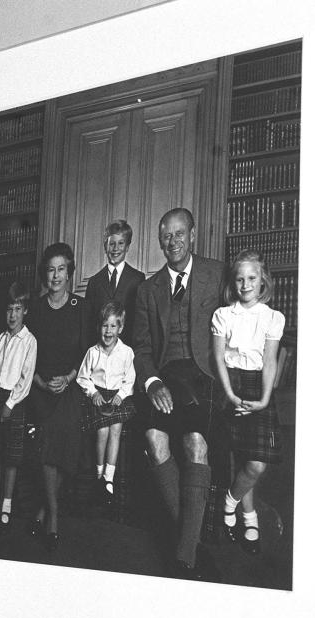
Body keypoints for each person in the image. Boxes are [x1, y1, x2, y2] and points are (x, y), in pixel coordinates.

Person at [133, 207, 225, 580]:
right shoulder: (147, 289)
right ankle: (191, 540)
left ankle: (184, 554)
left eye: (179, 234)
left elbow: (243, 318)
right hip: (166, 376)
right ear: (159, 240)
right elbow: (140, 348)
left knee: (194, 443)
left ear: (192, 235)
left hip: (205, 375)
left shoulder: (217, 274)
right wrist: (153, 383)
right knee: (154, 439)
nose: (172, 242)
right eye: (165, 235)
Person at [210, 250, 285, 555]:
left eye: (252, 278)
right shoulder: (223, 315)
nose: (245, 284)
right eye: (240, 278)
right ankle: (249, 517)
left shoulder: (272, 317)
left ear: (262, 279)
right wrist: (230, 394)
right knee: (242, 458)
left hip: (258, 387)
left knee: (256, 463)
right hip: (231, 383)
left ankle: (230, 501)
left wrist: (265, 399)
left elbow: (269, 361)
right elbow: (217, 358)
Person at [25, 242, 90, 552]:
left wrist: (69, 378)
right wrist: (39, 381)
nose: (56, 276)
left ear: (70, 272)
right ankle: (53, 514)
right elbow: (26, 354)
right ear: (44, 274)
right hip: (39, 387)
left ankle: (45, 509)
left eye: (61, 269)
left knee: (67, 438)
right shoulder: (35, 309)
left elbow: (88, 354)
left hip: (70, 385)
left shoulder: (81, 308)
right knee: (50, 434)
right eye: (50, 270)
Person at [0, 282, 37, 532]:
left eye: (17, 309)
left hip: (15, 403)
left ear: (25, 311)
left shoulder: (29, 341)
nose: (12, 315)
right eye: (9, 309)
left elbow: (26, 377)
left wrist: (10, 404)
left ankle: (6, 506)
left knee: (11, 458)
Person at [76, 301, 136, 503]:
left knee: (116, 428)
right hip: (99, 395)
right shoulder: (93, 352)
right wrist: (93, 393)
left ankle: (109, 477)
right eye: (104, 326)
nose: (108, 331)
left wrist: (121, 395)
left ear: (120, 328)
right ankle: (99, 473)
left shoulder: (127, 352)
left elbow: (130, 379)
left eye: (113, 326)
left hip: (118, 395)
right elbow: (82, 377)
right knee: (102, 430)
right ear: (99, 327)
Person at [83, 220, 146, 346]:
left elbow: (140, 323)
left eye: (121, 243)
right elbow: (88, 325)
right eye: (112, 244)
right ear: (105, 247)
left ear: (127, 247)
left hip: (128, 351)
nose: (116, 248)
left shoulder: (138, 279)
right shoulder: (94, 282)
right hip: (100, 352)